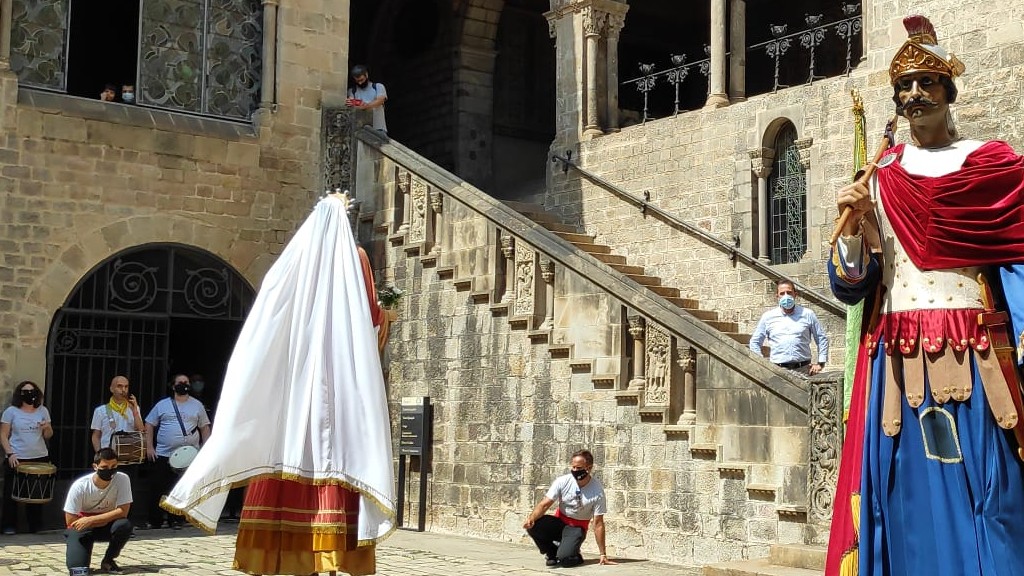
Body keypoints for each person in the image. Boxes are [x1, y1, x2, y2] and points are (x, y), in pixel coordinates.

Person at [826, 15, 1024, 575]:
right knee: (902, 493)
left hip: (974, 346)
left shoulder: (993, 164)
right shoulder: (880, 175)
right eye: (904, 87)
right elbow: (850, 285)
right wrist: (861, 228)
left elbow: (1017, 256)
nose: (914, 94)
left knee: (988, 490)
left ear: (948, 92)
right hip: (896, 355)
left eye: (926, 83)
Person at [162, 193, 395, 576]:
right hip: (334, 392)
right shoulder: (355, 258)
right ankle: (327, 559)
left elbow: (262, 331)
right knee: (333, 459)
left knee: (284, 455)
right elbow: (370, 321)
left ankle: (280, 561)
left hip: (289, 395)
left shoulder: (291, 264)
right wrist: (388, 316)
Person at [523, 450, 614, 568]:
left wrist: (603, 554)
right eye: (573, 467)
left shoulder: (597, 491)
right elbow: (545, 504)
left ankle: (574, 556)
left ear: (589, 467)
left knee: (565, 560)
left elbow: (598, 524)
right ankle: (551, 552)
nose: (575, 470)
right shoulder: (563, 481)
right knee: (534, 525)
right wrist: (531, 518)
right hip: (560, 522)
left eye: (579, 467)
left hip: (577, 528)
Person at [143, 375, 210, 530]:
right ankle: (155, 520)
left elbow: (204, 427)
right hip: (164, 453)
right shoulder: (162, 405)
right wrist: (149, 447)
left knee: (181, 488)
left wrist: (205, 449)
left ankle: (177, 519)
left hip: (189, 456)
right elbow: (149, 424)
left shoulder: (197, 405)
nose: (184, 385)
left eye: (186, 382)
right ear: (173, 386)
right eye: (180, 382)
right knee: (158, 487)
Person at [64, 448, 133, 576]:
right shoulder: (80, 486)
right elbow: (70, 520)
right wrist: (90, 522)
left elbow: (123, 512)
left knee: (124, 525)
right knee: (78, 571)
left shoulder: (122, 479)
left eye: (114, 466)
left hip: (103, 525)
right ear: (95, 466)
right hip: (82, 528)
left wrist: (92, 520)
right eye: (105, 467)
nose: (110, 470)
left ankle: (108, 560)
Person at [1, 380, 53, 535]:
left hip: (39, 456)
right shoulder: (11, 411)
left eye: (32, 391)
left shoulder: (42, 410)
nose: (29, 394)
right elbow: (3, 434)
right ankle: (9, 526)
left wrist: (47, 428)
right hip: (17, 456)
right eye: (25, 391)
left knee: (36, 495)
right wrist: (10, 453)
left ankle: (35, 526)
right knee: (11, 494)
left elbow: (48, 435)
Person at [748, 279, 829, 375]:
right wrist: (762, 364)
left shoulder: (808, 314)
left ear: (795, 294)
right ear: (777, 296)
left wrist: (821, 363)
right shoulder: (768, 317)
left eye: (789, 292)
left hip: (804, 370)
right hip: (778, 371)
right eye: (782, 293)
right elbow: (755, 342)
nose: (786, 296)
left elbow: (821, 338)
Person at [90, 376, 144, 456]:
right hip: (108, 457)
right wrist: (99, 454)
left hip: (129, 455)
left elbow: (141, 431)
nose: (123, 390)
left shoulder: (134, 409)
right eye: (119, 386)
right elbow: (96, 436)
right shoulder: (101, 410)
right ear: (111, 389)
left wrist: (135, 411)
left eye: (126, 387)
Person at [346, 64, 388, 134]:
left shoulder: (378, 87)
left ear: (366, 75)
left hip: (378, 128)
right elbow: (352, 105)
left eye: (361, 80)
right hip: (360, 130)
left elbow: (380, 101)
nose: (360, 83)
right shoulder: (352, 91)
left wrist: (365, 106)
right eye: (357, 81)